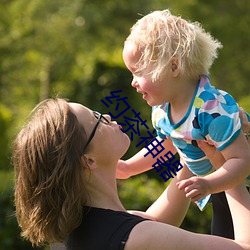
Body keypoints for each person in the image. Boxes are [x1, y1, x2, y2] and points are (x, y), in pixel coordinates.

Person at [13, 98, 250, 250]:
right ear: (88, 160)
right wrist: (226, 165)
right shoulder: (138, 238)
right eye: (97, 120)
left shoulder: (72, 234)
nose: (106, 116)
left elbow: (156, 221)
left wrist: (190, 142)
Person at [120, 9, 250, 239]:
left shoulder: (210, 109)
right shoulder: (162, 109)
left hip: (239, 185)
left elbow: (242, 160)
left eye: (138, 72)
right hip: (219, 187)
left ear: (173, 67)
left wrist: (209, 184)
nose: (133, 82)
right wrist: (130, 167)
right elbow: (168, 143)